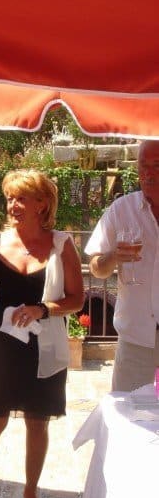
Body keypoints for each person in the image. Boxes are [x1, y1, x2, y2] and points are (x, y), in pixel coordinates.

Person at [0, 170, 84, 498]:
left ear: (42, 204)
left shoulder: (62, 244)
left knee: (37, 423)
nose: (13, 205)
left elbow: (76, 300)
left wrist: (42, 309)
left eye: (22, 198)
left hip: (45, 348)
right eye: (10, 198)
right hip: (5, 349)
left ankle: (31, 493)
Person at [85, 139, 159, 392]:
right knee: (128, 410)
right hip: (135, 339)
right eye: (143, 165)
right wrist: (113, 257)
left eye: (157, 165)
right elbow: (96, 268)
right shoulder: (121, 210)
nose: (148, 173)